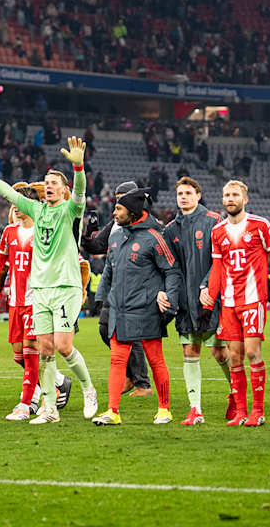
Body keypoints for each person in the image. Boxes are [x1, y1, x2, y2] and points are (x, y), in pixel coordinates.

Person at [0, 137, 98, 424]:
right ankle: (49, 409)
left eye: (54, 182)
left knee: (63, 347)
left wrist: (78, 167)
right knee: (45, 351)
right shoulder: (37, 211)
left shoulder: (70, 210)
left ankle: (89, 389)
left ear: (63, 191)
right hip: (39, 290)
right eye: (46, 182)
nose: (48, 185)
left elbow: (80, 191)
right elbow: (6, 192)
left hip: (65, 287)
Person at [200, 181, 270, 427]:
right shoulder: (217, 231)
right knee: (235, 357)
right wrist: (209, 300)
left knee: (252, 352)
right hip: (228, 303)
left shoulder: (261, 225)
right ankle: (240, 412)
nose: (230, 198)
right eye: (226, 195)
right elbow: (217, 268)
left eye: (235, 195)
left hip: (253, 300)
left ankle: (257, 411)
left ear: (245, 199)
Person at [92, 188, 179, 425]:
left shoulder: (154, 237)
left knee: (155, 360)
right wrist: (101, 298)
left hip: (146, 311)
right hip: (120, 310)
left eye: (119, 209)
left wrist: (169, 298)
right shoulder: (116, 236)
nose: (114, 212)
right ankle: (112, 411)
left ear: (132, 212)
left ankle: (164, 409)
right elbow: (109, 268)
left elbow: (171, 270)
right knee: (117, 361)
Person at [161, 176, 226, 425]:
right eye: (180, 194)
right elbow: (169, 267)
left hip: (211, 299)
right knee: (190, 351)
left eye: (188, 193)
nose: (184, 197)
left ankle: (236, 395)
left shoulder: (213, 221)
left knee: (219, 353)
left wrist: (207, 286)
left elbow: (220, 260)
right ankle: (195, 409)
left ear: (198, 196)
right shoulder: (170, 230)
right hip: (186, 303)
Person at [0, 185, 47, 421]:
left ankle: (26, 404)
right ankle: (49, 388)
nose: (16, 207)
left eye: (21, 202)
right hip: (15, 302)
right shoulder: (9, 231)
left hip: (35, 301)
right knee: (18, 356)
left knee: (30, 354)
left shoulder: (43, 230)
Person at [82, 181, 149, 396]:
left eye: (124, 197)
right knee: (105, 330)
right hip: (114, 287)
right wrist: (89, 233)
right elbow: (95, 247)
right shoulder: (115, 224)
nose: (119, 201)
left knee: (132, 334)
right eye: (118, 197)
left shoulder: (147, 224)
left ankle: (142, 383)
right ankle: (131, 375)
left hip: (136, 287)